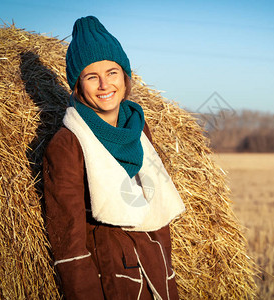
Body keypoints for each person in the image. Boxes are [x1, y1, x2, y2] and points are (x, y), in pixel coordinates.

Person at [43, 16, 185, 300]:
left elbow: (156, 202)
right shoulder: (68, 144)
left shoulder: (139, 128)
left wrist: (167, 268)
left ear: (125, 77)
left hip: (156, 272)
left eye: (112, 73)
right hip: (110, 278)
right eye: (92, 77)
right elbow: (68, 241)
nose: (105, 85)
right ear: (77, 85)